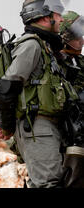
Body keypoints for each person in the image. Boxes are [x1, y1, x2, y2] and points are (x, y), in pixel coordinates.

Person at [0, 0, 80, 188]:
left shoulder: (47, 46)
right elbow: (8, 86)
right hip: (36, 125)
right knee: (48, 184)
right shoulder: (31, 45)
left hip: (49, 125)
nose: (61, 18)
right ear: (46, 16)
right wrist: (7, 125)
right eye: (57, 14)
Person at [58, 11, 84, 187]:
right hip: (61, 133)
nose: (81, 41)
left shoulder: (80, 61)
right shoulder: (54, 62)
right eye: (77, 37)